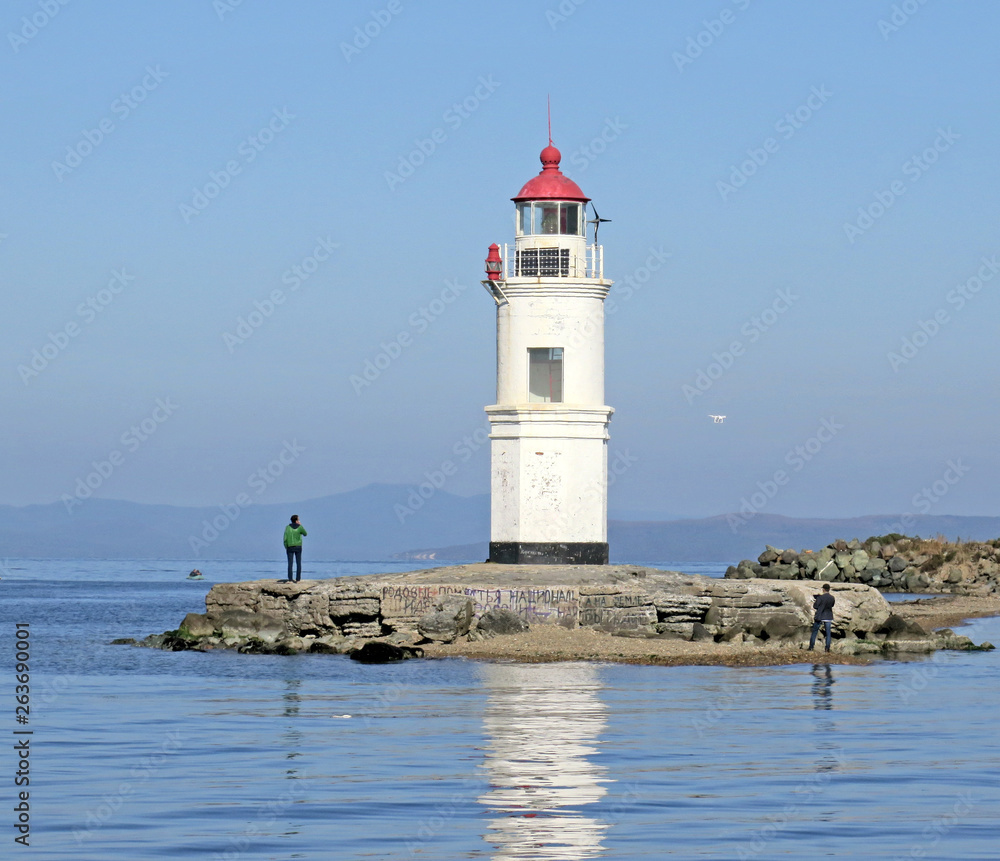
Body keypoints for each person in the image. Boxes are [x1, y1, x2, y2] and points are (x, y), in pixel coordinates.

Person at [808, 583, 835, 652]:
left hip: (820, 616)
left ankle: (811, 647)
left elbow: (815, 606)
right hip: (828, 616)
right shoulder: (832, 598)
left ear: (823, 589)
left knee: (815, 632)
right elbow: (832, 605)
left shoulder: (820, 598)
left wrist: (816, 601)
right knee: (828, 633)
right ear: (829, 589)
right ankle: (827, 648)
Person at [283, 515, 307, 582]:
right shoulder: (299, 527)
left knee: (290, 563)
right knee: (298, 563)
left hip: (290, 546)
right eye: (298, 520)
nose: (299, 521)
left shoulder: (287, 527)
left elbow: (285, 538)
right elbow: (305, 534)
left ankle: (290, 579)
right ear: (296, 521)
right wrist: (300, 525)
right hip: (298, 546)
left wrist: (286, 546)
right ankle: (298, 579)